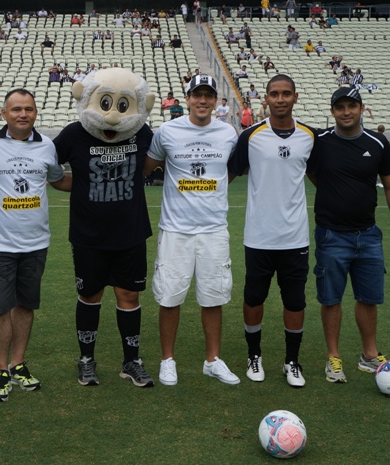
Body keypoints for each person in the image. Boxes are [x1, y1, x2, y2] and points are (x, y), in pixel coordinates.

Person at [54, 68, 156, 388]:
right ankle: (86, 360)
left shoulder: (143, 133)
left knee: (129, 295)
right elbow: (50, 167)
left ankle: (131, 361)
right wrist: (79, 184)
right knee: (89, 295)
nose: (113, 117)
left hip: (131, 232)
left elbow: (149, 167)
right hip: (88, 234)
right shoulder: (74, 134)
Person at [0, 89, 70, 402]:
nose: (23, 114)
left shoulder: (47, 146)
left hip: (36, 243)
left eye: (28, 109)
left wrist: (95, 181)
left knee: (25, 305)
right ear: (4, 114)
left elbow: (57, 179)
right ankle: (1, 369)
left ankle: (18, 364)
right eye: (16, 109)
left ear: (36, 113)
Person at [144, 75, 240, 387]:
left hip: (214, 229)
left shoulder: (228, 133)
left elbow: (230, 171)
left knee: (213, 297)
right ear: (187, 99)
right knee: (169, 297)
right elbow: (148, 167)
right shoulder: (167, 131)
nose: (202, 101)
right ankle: (167, 360)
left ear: (215, 100)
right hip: (176, 229)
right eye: (197, 95)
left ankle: (212, 360)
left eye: (208, 95)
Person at [306, 87, 390, 383]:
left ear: (362, 109)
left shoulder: (378, 142)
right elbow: (313, 174)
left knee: (368, 298)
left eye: (352, 106)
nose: (346, 112)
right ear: (332, 111)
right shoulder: (321, 142)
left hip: (369, 235)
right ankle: (333, 358)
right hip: (331, 235)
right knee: (330, 299)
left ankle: (369, 356)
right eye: (340, 107)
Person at [228, 74, 317, 388]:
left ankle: (292, 361)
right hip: (259, 236)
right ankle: (254, 356)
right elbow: (228, 176)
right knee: (254, 298)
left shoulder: (310, 136)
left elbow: (321, 180)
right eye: (274, 94)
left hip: (295, 237)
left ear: (295, 97)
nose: (280, 99)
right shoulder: (250, 136)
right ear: (265, 98)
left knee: (295, 301)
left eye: (286, 94)